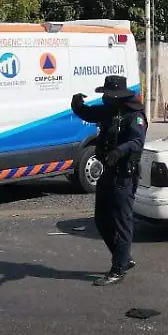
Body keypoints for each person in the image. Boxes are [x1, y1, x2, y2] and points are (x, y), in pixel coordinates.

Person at [71, 75, 148, 286]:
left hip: (124, 174)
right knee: (101, 219)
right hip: (108, 171)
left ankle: (118, 269)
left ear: (119, 96)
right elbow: (88, 113)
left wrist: (119, 151)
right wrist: (77, 105)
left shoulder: (135, 116)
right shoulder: (109, 111)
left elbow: (137, 141)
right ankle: (123, 257)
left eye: (109, 94)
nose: (105, 98)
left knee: (121, 221)